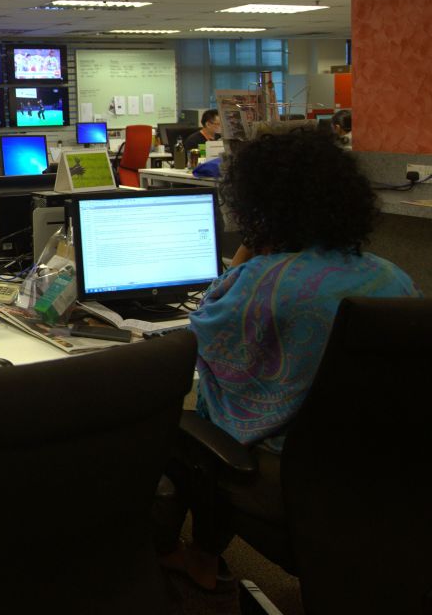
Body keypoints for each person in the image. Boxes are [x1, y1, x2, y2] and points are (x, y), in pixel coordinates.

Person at [156, 130, 419, 592]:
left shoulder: (263, 283)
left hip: (296, 480)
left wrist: (253, 245)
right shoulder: (392, 277)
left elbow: (201, 335)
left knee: (181, 428)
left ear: (257, 205)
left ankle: (197, 558)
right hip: (397, 476)